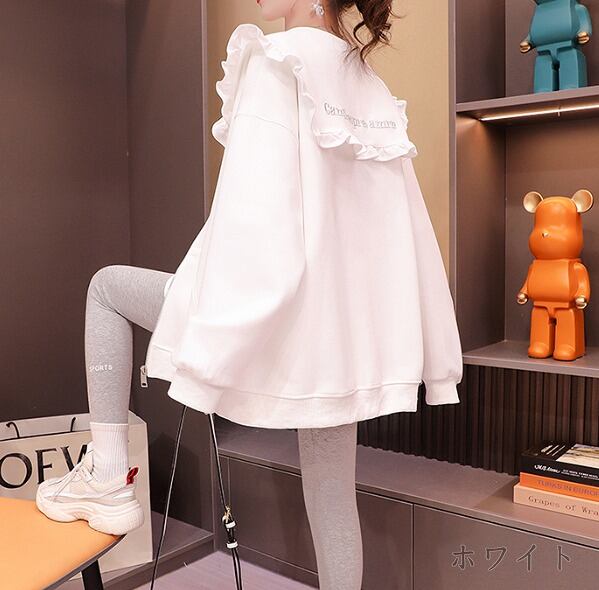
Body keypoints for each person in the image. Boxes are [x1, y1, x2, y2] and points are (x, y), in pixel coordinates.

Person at [36, 1, 463, 588]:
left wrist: (217, 315)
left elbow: (253, 216)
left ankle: (108, 475)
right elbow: (400, 227)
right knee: (332, 493)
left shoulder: (275, 59)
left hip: (274, 303)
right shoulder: (370, 86)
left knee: (106, 288)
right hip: (338, 335)